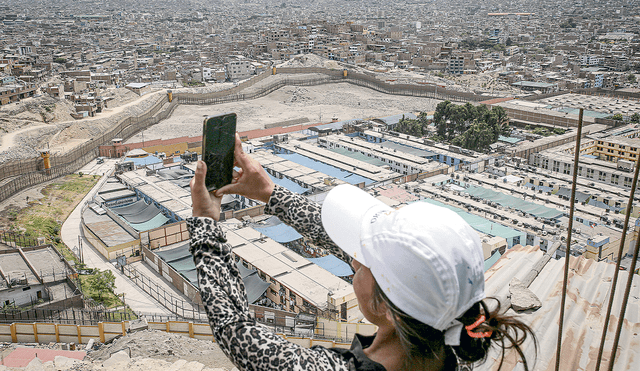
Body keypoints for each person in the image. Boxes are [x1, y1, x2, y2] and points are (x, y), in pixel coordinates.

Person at [188, 134, 536, 371]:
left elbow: (234, 327)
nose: (352, 259)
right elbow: (378, 264)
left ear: (384, 306)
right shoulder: (446, 342)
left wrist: (206, 222)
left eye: (362, 263)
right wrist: (271, 193)